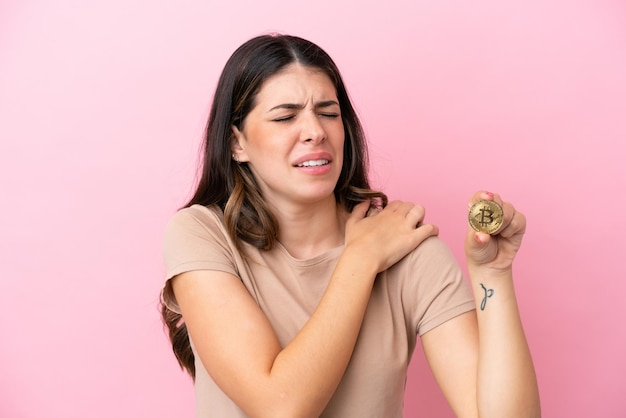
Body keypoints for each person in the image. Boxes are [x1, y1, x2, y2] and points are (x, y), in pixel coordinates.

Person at [159, 33, 541, 418]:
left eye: (328, 112)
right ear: (236, 143)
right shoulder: (202, 235)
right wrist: (360, 259)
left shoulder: (409, 251)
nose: (315, 131)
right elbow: (279, 406)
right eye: (286, 116)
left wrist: (493, 274)